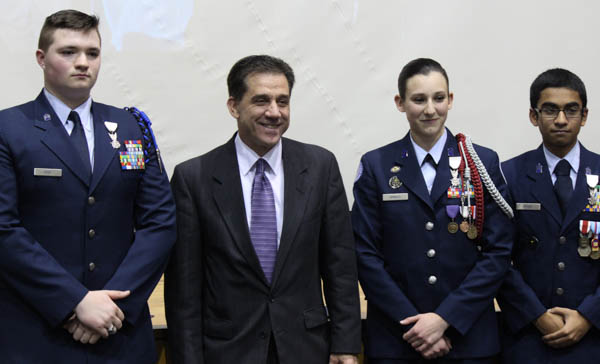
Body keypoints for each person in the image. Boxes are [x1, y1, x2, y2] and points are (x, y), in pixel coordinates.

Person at [0, 9, 176, 363]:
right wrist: (74, 302)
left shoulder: (130, 126)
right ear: (41, 58)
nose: (83, 63)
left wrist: (114, 306)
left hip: (120, 332)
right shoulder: (10, 128)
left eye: (92, 53)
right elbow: (4, 229)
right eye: (68, 52)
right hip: (37, 333)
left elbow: (160, 222)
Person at [164, 54, 361, 364]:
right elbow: (183, 292)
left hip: (306, 348)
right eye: (261, 101)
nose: (274, 113)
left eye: (283, 102)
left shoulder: (320, 167)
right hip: (228, 351)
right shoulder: (194, 178)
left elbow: (340, 266)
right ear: (233, 106)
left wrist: (346, 344)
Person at [352, 58, 514, 363]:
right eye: (418, 99)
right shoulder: (377, 166)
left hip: (468, 340)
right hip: (397, 339)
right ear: (400, 103)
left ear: (450, 100)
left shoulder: (481, 162)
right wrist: (414, 324)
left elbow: (498, 253)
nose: (430, 109)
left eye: (438, 98)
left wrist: (445, 319)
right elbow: (365, 254)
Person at [498, 68, 600, 363]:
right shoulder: (509, 175)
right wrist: (537, 315)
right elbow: (497, 258)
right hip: (528, 338)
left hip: (593, 338)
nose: (560, 120)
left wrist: (588, 316)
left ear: (585, 115)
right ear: (534, 116)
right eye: (550, 110)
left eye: (571, 110)